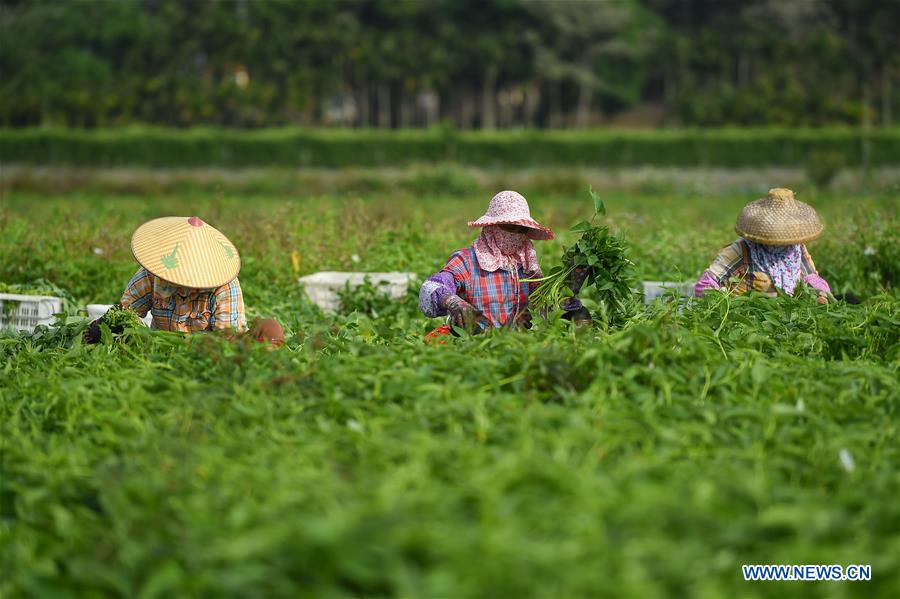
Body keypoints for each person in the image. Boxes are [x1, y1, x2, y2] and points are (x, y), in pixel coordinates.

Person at [85, 216, 282, 345]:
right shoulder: (151, 276)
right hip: (160, 345)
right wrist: (105, 324)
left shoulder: (223, 287)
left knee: (270, 329)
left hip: (208, 350)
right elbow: (126, 312)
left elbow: (228, 337)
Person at [419, 190, 590, 338]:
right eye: (508, 227)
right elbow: (432, 286)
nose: (515, 234)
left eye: (520, 229)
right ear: (492, 226)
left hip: (519, 345)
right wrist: (452, 302)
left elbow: (545, 307)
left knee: (581, 315)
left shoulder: (526, 264)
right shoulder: (467, 261)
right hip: (476, 343)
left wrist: (570, 287)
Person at [695, 188, 832, 304]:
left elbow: (812, 278)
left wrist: (821, 294)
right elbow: (705, 284)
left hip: (787, 318)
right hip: (747, 318)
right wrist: (724, 302)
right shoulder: (742, 249)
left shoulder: (795, 250)